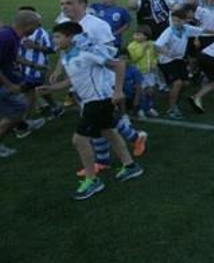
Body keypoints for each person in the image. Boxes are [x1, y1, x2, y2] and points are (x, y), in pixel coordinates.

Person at [44, 22, 143, 200]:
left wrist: (118, 91)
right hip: (91, 101)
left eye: (58, 36)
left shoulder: (87, 52)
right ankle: (130, 166)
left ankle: (92, 180)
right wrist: (52, 89)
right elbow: (73, 79)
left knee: (79, 140)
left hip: (98, 101)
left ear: (71, 38)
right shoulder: (66, 54)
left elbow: (119, 65)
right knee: (109, 132)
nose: (54, 40)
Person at [0, 11, 43, 157]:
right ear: (28, 25)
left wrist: (32, 64)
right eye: (36, 26)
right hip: (3, 84)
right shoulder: (6, 37)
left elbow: (14, 57)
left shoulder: (12, 36)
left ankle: (22, 124)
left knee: (19, 108)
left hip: (7, 81)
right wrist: (9, 85)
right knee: (15, 112)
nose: (37, 29)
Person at [155, 9, 204, 119]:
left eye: (178, 21)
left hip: (179, 60)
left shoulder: (187, 29)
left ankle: (174, 98)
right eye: (174, 20)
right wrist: (167, 53)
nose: (176, 23)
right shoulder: (169, 31)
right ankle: (172, 109)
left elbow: (203, 30)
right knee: (177, 83)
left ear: (184, 21)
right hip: (166, 61)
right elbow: (157, 46)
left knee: (186, 83)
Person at [126, 26, 159, 118]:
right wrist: (143, 49)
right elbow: (134, 58)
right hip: (139, 72)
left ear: (146, 36)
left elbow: (155, 55)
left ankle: (150, 107)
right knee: (141, 91)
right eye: (135, 34)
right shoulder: (132, 46)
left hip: (150, 72)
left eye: (138, 35)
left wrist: (154, 63)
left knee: (151, 90)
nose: (135, 36)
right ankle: (141, 108)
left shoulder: (152, 44)